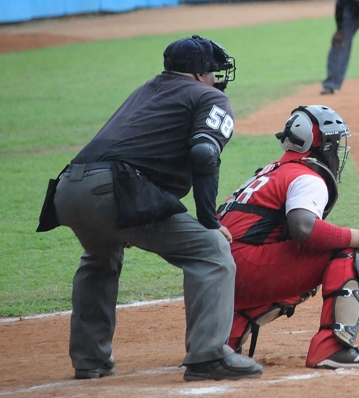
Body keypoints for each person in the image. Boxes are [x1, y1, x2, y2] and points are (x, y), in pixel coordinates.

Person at [40, 35, 263, 382]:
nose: (218, 76)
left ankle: (89, 359)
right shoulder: (210, 96)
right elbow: (205, 153)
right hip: (115, 188)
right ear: (200, 72)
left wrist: (121, 216)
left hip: (68, 188)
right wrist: (208, 220)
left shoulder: (146, 89)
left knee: (100, 259)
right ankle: (208, 356)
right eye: (213, 69)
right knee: (211, 249)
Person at [218, 105, 359, 369]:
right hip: (244, 268)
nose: (338, 148)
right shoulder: (307, 177)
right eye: (334, 141)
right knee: (348, 253)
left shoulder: (270, 171)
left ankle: (228, 338)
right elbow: (303, 229)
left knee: (305, 254)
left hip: (218, 273)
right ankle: (332, 348)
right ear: (322, 145)